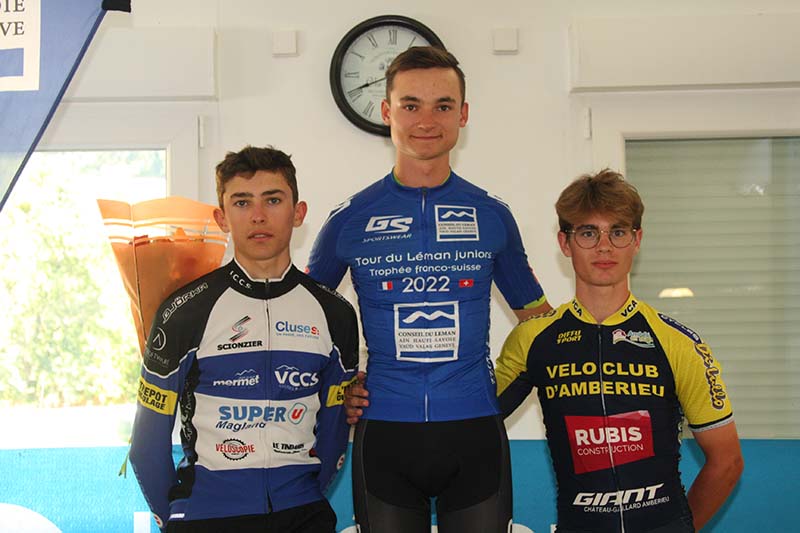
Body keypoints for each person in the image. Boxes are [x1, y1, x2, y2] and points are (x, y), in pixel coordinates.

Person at [307, 46, 551, 533]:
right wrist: (337, 390)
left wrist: (499, 397)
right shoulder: (350, 219)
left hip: (475, 432)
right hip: (385, 435)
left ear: (463, 114)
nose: (426, 120)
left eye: (442, 106)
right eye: (410, 105)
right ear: (387, 112)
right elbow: (301, 322)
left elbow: (540, 325)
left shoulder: (492, 216)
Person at [495, 169, 743, 532]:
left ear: (636, 240)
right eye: (588, 233)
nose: (604, 246)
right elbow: (470, 421)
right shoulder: (532, 339)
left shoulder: (677, 342)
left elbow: (727, 461)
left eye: (618, 232)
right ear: (565, 243)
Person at [129, 146, 359, 533]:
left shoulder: (335, 312)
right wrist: (179, 519)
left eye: (273, 200)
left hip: (303, 513)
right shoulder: (185, 311)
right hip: (208, 516)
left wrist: (301, 497)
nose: (258, 215)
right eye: (241, 202)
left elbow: (335, 432)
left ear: (298, 212)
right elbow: (146, 445)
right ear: (222, 218)